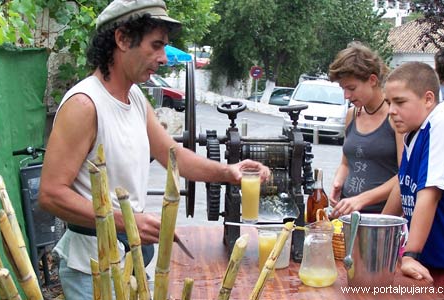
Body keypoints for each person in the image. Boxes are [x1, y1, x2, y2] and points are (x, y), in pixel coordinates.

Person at [38, 0, 270, 298]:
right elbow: (50, 194)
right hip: (92, 270)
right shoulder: (85, 104)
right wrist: (127, 220)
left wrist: (229, 172)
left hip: (131, 259)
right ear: (122, 39)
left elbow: (175, 158)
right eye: (156, 45)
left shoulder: (134, 97)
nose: (163, 58)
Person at [382, 61, 444, 299]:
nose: (391, 111)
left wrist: (411, 255)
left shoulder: (443, 124)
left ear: (428, 99)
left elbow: (430, 193)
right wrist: (375, 233)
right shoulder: (414, 130)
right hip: (432, 263)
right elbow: (403, 183)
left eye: (400, 102)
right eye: (389, 103)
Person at [327, 42, 403, 218]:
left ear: (372, 80)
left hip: (380, 216)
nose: (346, 95)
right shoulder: (352, 115)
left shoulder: (395, 116)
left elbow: (405, 175)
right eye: (343, 88)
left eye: (351, 88)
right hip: (348, 213)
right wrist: (338, 181)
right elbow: (346, 163)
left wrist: (362, 199)